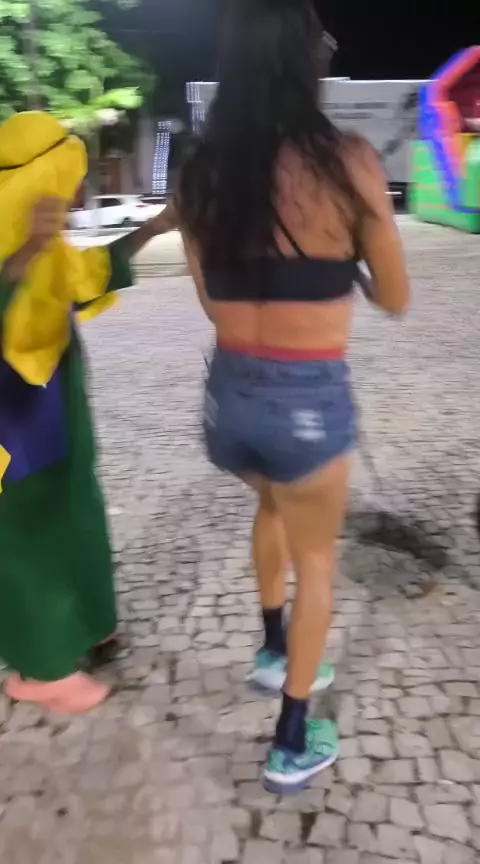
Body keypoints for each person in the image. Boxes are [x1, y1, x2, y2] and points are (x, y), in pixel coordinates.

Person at [175, 0, 410, 793]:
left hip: (229, 404)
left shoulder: (200, 170)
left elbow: (211, 303)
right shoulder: (347, 162)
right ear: (307, 60)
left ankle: (272, 649)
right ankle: (292, 739)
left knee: (272, 504)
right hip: (306, 405)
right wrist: (352, 268)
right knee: (317, 560)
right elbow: (397, 297)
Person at [0, 111, 174, 714]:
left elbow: (89, 274)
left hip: (55, 418)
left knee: (76, 509)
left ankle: (90, 622)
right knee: (23, 536)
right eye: (70, 178)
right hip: (11, 433)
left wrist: (159, 225)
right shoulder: (22, 244)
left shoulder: (43, 246)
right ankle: (41, 668)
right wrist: (27, 252)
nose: (78, 192)